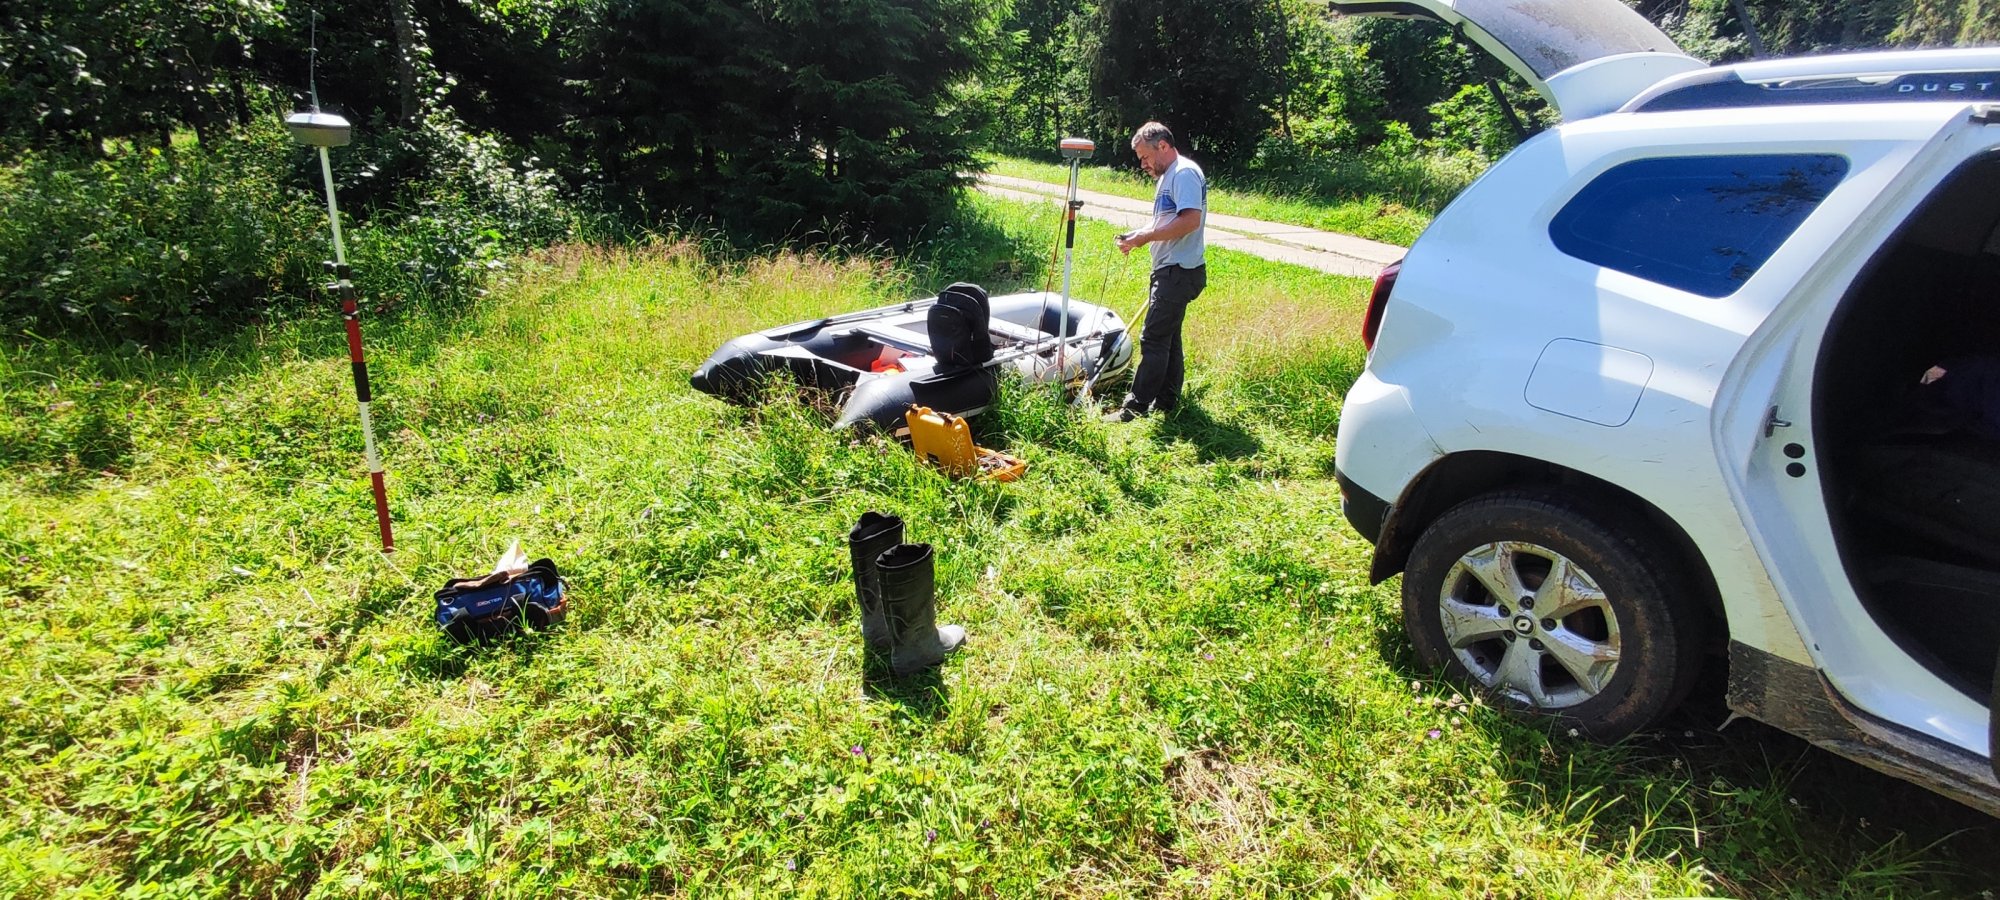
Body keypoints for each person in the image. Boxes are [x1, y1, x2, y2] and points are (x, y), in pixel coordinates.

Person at [1109, 121, 1207, 422]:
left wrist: (1146, 237)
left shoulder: (1184, 173)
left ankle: (1134, 408)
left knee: (1153, 339)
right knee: (1168, 339)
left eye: (1145, 157)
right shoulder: (1168, 177)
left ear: (1162, 146)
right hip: (1171, 270)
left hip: (1178, 271)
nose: (1142, 164)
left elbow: (1190, 220)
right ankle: (1167, 402)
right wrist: (1137, 235)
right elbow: (1164, 221)